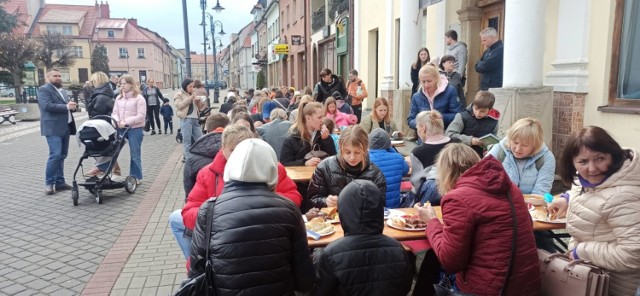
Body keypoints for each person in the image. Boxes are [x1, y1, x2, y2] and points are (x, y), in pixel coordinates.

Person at [188, 138, 314, 295]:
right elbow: (304, 280)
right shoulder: (288, 209)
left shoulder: (209, 209)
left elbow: (195, 271)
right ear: (271, 168)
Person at [415, 143, 540, 295]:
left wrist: (431, 222)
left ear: (446, 173)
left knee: (432, 261)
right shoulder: (512, 189)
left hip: (489, 289)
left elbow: (451, 261)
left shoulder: (458, 198)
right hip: (526, 284)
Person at [170, 124, 302, 259]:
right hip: (222, 240)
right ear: (222, 149)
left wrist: (262, 205)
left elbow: (294, 197)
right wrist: (218, 215)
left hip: (264, 233)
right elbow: (189, 212)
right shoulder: (208, 173)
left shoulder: (272, 167)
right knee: (176, 220)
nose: (239, 155)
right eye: (233, 150)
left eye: (243, 149)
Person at [545, 126, 640, 295]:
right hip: (592, 276)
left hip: (614, 285)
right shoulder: (588, 180)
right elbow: (590, 191)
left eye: (600, 158)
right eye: (583, 162)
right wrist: (566, 198)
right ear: (572, 163)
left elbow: (633, 255)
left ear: (613, 155)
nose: (592, 168)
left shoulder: (625, 196)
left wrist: (580, 251)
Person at [314, 180, 413, 296]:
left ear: (343, 212)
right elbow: (405, 286)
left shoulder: (331, 253)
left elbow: (323, 292)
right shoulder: (397, 248)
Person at [307, 125, 386, 209]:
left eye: (357, 152)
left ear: (366, 149)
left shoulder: (376, 175)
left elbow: (379, 206)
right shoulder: (324, 168)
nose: (352, 157)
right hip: (331, 219)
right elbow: (312, 199)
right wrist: (325, 201)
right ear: (340, 148)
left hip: (361, 221)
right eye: (347, 152)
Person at [487, 117, 555, 196]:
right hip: (500, 200)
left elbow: (541, 190)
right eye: (515, 143)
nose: (518, 149)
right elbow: (483, 177)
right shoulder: (499, 150)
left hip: (530, 204)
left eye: (525, 145)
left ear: (535, 145)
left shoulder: (546, 158)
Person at [37, 68, 77, 194]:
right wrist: (66, 107)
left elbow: (66, 107)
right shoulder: (44, 90)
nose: (58, 78)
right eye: (55, 76)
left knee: (62, 155)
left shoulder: (62, 90)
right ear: (48, 77)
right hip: (52, 127)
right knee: (55, 155)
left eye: (60, 75)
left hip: (65, 126)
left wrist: (72, 107)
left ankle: (60, 182)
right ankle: (49, 184)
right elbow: (47, 106)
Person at [410, 110, 461, 205]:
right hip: (457, 192)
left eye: (417, 128)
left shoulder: (418, 152)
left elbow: (416, 184)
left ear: (423, 128)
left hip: (432, 198)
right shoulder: (457, 143)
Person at [183, 112, 229, 197]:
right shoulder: (237, 150)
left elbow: (189, 189)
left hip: (202, 204)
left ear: (207, 129)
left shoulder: (193, 155)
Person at [111, 75, 146, 184]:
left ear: (131, 84)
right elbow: (114, 113)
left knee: (135, 154)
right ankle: (112, 173)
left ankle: (135, 176)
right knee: (113, 150)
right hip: (120, 128)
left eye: (124, 83)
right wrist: (116, 121)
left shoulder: (139, 98)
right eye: (121, 84)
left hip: (134, 129)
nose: (122, 86)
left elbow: (141, 116)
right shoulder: (118, 98)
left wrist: (126, 121)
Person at [407, 64, 463, 131]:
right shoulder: (416, 96)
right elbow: (410, 120)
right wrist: (422, 123)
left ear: (436, 78)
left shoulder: (450, 91)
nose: (426, 85)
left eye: (429, 81)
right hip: (424, 138)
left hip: (445, 135)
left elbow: (458, 116)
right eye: (423, 81)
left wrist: (440, 117)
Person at [280, 101, 337, 167]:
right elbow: (285, 163)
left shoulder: (324, 135)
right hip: (301, 176)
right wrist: (305, 163)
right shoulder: (292, 138)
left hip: (320, 175)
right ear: (308, 118)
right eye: (319, 117)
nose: (322, 120)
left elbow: (333, 159)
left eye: (323, 117)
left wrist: (326, 140)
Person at [445, 90, 500, 157]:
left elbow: (493, 139)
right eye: (476, 109)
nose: (478, 113)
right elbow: (449, 134)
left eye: (482, 111)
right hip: (461, 155)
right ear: (473, 104)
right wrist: (470, 140)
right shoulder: (462, 116)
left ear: (490, 110)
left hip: (481, 157)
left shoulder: (494, 121)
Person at [368, 128, 409, 208]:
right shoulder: (398, 158)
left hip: (372, 207)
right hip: (393, 207)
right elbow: (406, 170)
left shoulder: (364, 159)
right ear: (388, 143)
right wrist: (392, 150)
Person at [174, 78, 204, 161]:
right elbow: (179, 105)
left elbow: (199, 108)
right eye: (190, 86)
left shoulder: (194, 94)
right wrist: (191, 98)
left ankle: (200, 157)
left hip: (195, 120)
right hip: (186, 120)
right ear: (185, 86)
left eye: (193, 86)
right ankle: (188, 160)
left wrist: (198, 102)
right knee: (187, 141)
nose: (192, 88)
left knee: (200, 139)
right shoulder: (179, 94)